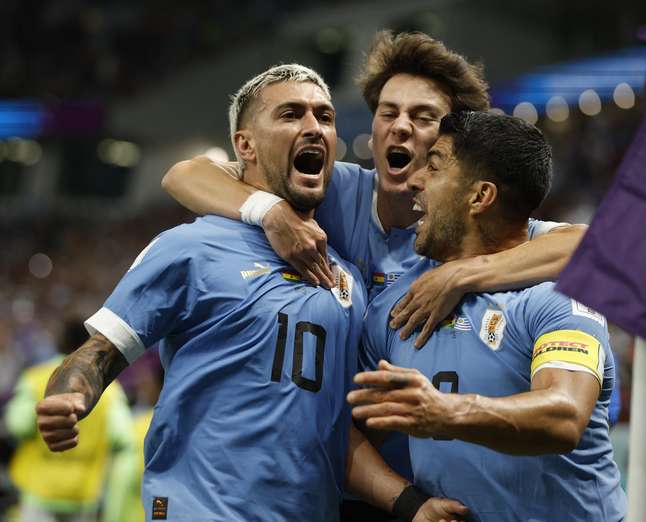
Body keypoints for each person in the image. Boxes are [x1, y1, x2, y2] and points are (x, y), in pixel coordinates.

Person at [160, 32, 585, 520]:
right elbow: (183, 174)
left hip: (430, 492)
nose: (400, 128)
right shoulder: (339, 191)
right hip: (339, 485)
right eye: (389, 112)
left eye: (423, 117)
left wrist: (463, 274)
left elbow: (596, 244)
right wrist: (270, 211)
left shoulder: (468, 231)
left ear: (452, 143)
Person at [34, 64, 467, 522]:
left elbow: (334, 431)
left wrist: (412, 505)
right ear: (245, 146)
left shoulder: (346, 283)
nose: (313, 128)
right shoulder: (191, 247)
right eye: (291, 114)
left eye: (324, 116)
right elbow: (100, 353)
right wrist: (68, 396)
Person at [348, 111, 627, 521]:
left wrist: (447, 414)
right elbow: (344, 432)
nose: (415, 180)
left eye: (435, 165)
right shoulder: (398, 305)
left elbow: (565, 416)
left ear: (480, 197)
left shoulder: (554, 296)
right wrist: (409, 503)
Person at [4, 318, 134, 522]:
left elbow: (17, 425)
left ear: (60, 342)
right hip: (84, 492)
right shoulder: (111, 391)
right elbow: (122, 436)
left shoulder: (36, 377)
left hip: (40, 488)